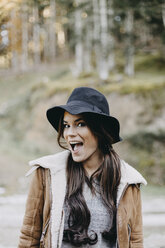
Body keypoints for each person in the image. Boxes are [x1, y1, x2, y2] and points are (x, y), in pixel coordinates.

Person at [18, 87, 147, 248]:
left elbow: (135, 241)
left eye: (80, 124)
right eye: (66, 125)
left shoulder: (128, 181)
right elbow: (29, 237)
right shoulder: (47, 172)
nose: (69, 133)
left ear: (100, 130)